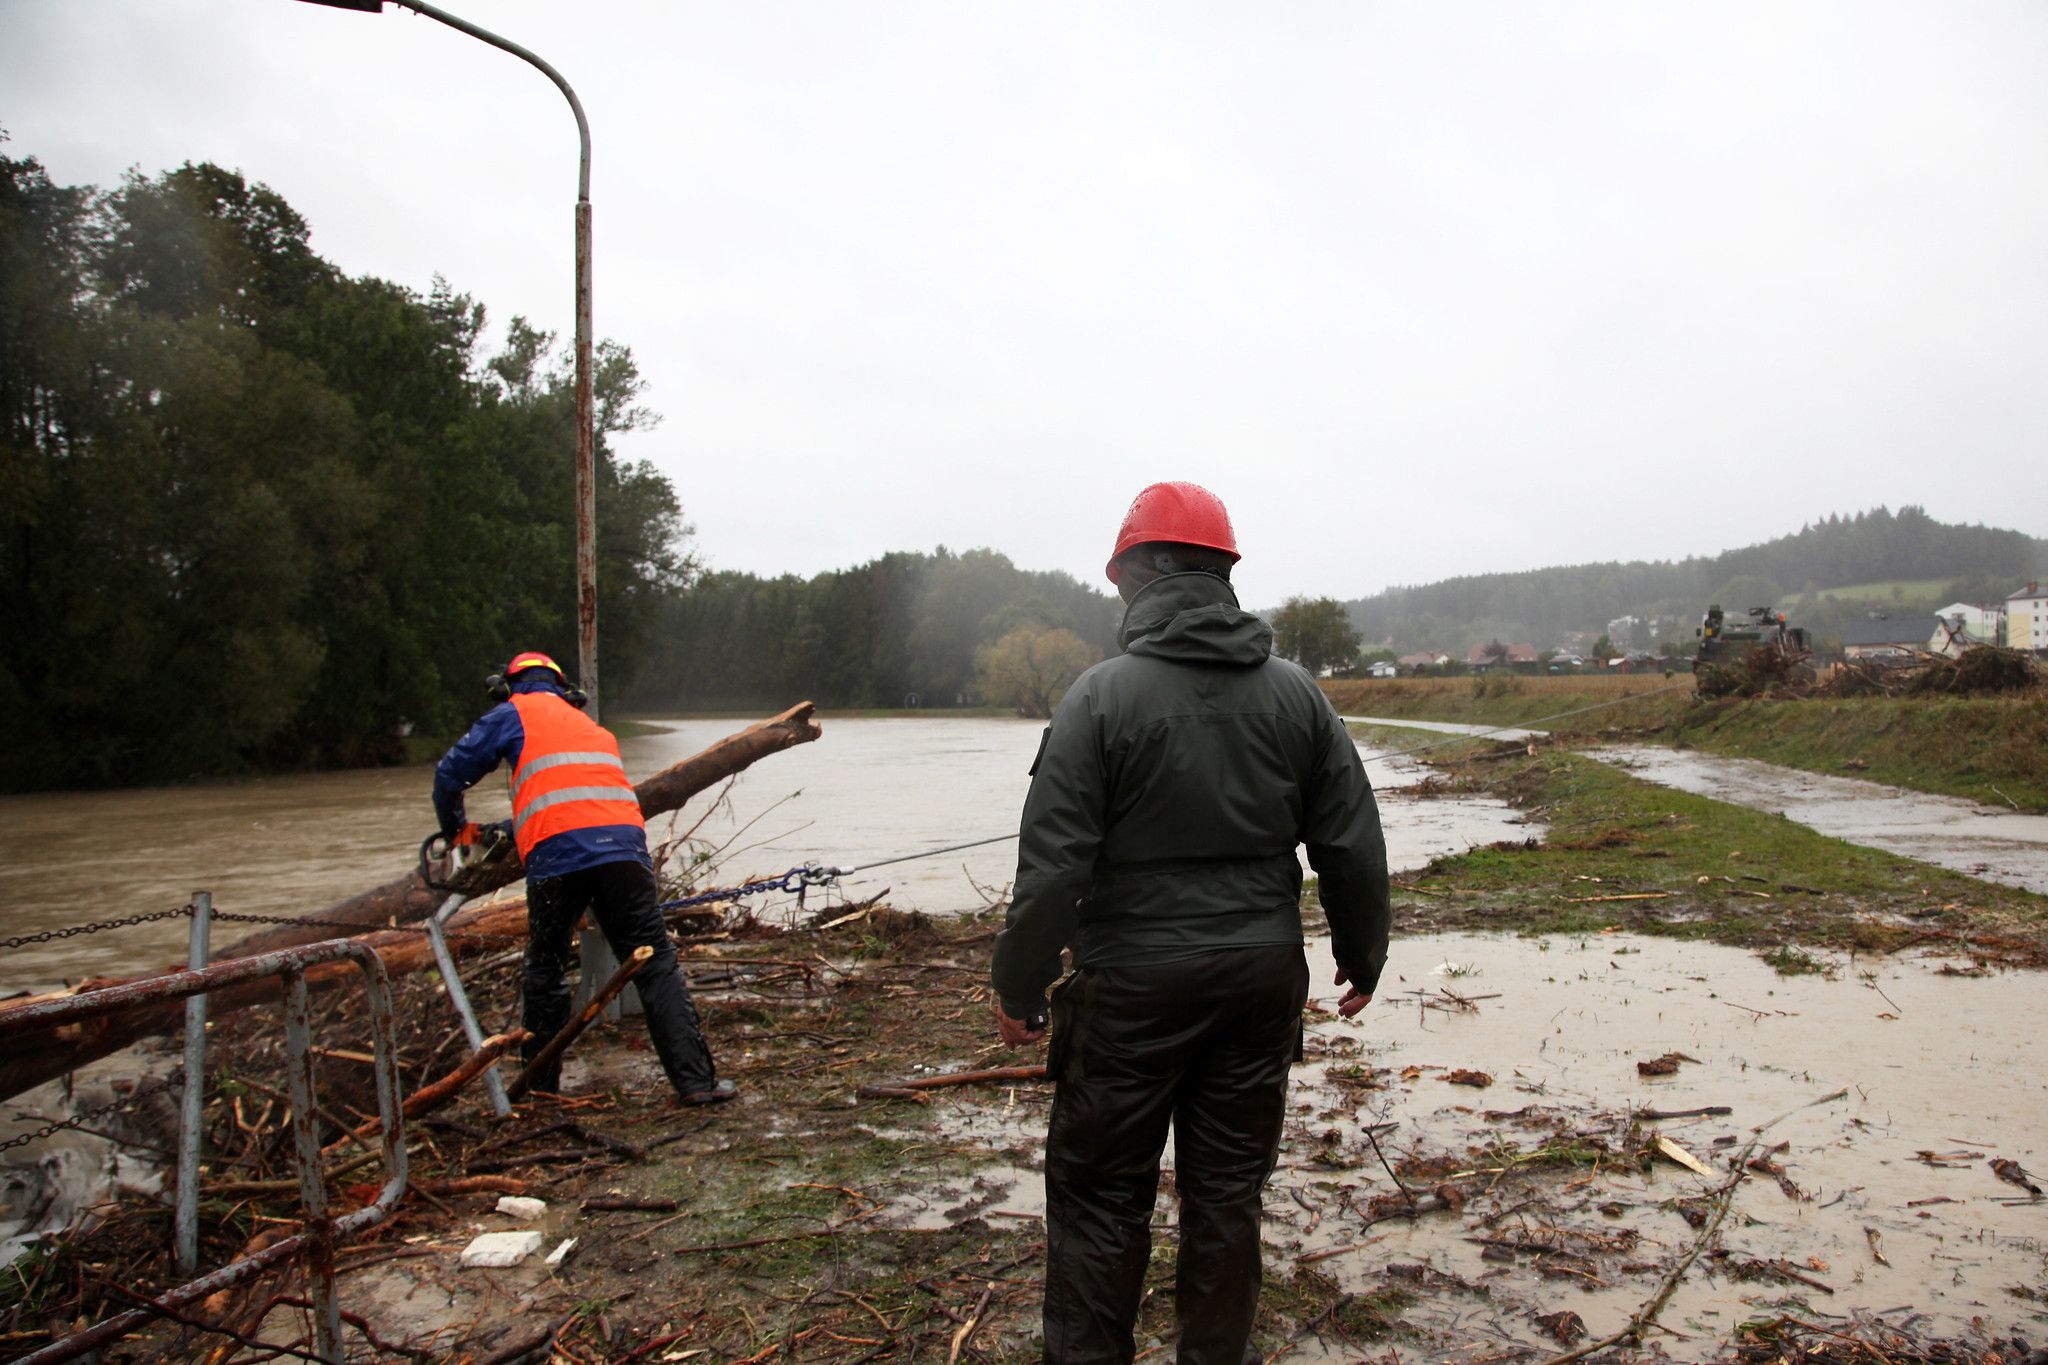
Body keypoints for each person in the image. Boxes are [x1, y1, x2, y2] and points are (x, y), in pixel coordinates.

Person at [990, 482, 1390, 1364]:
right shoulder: (1300, 698)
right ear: (1223, 574)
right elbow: (1351, 841)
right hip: (1259, 978)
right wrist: (1363, 956)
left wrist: (1018, 985)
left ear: (1135, 576)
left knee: (1099, 1198)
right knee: (1227, 1194)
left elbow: (1054, 868)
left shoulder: (1097, 698)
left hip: (1130, 987)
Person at [433, 650, 736, 1106]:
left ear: (509, 685)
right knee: (655, 964)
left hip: (558, 859)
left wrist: (459, 833)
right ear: (562, 689)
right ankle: (697, 1084)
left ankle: (539, 1091)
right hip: (625, 853)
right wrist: (504, 830)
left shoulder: (511, 712)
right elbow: (577, 802)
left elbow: (448, 775)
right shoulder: (593, 730)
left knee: (546, 968)